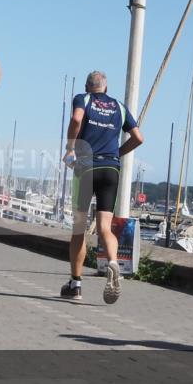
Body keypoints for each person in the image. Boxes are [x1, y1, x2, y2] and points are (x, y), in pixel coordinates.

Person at [61, 71, 143, 305]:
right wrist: (117, 154)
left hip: (87, 168)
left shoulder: (83, 99)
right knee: (105, 227)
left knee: (79, 229)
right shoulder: (119, 106)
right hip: (111, 169)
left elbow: (77, 119)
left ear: (88, 87)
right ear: (105, 89)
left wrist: (69, 148)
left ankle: (75, 285)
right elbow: (138, 137)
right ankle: (114, 262)